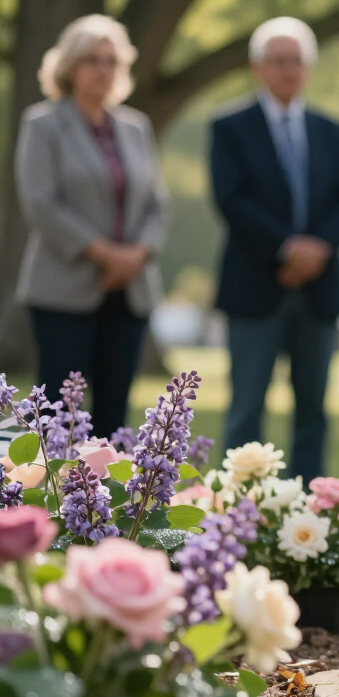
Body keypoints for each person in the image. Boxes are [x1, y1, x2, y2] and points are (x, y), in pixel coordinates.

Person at [209, 17, 339, 484]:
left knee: (313, 406)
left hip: (319, 288)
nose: (288, 70)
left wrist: (315, 251)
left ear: (308, 68)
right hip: (255, 284)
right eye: (278, 60)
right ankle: (236, 507)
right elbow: (231, 200)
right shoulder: (230, 126)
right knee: (247, 406)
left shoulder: (329, 129)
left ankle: (310, 503)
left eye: (296, 61)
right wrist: (285, 249)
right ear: (258, 66)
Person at [16, 14, 168, 438]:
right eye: (92, 59)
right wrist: (105, 254)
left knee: (114, 419)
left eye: (111, 60)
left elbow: (158, 207)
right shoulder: (43, 124)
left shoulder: (136, 128)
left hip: (129, 291)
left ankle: (107, 504)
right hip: (64, 290)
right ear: (68, 66)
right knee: (56, 420)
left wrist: (135, 256)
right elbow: (40, 204)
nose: (103, 69)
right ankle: (46, 504)